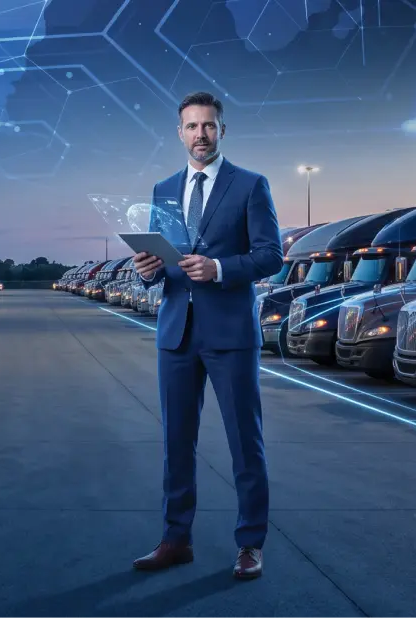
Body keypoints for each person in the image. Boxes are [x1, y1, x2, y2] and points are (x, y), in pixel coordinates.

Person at [130, 91, 283, 580]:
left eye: (209, 126)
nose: (201, 134)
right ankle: (176, 540)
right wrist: (147, 269)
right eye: (192, 127)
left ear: (222, 130)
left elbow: (271, 256)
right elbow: (159, 269)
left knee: (245, 443)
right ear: (180, 133)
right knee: (177, 443)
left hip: (230, 334)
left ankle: (250, 544)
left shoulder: (251, 186)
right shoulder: (163, 189)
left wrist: (218, 267)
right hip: (176, 333)